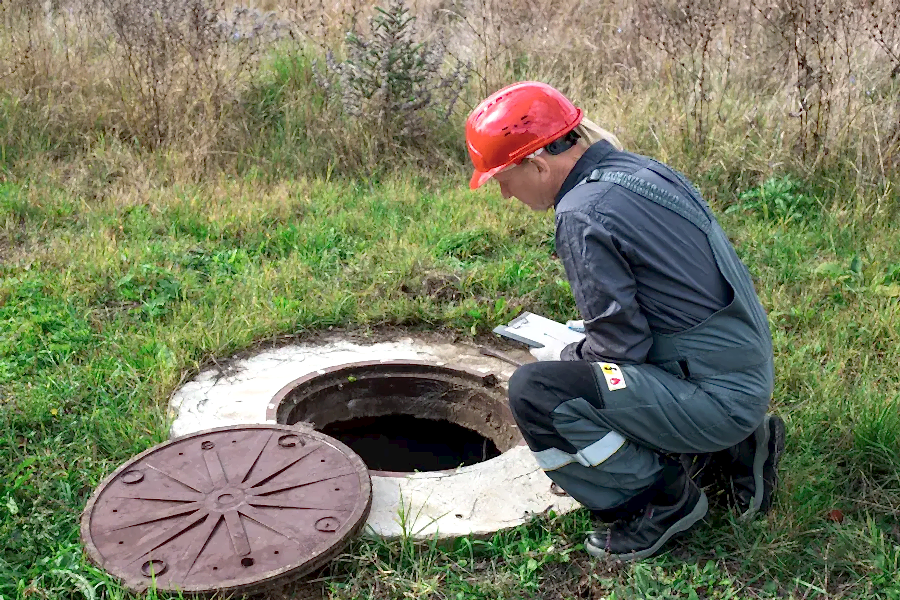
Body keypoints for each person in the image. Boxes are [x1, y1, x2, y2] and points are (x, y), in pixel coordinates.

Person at [465, 81, 786, 561]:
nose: (507, 196)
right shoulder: (636, 170)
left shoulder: (580, 213)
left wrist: (568, 355)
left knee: (538, 394)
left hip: (716, 396)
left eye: (503, 181)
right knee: (584, 355)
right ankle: (738, 444)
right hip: (741, 369)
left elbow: (619, 351)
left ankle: (657, 501)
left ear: (537, 164)